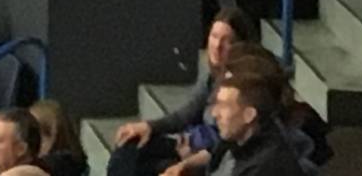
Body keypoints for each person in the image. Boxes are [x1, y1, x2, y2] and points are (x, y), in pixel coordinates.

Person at [108, 11, 258, 176]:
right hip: (188, 143)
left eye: (227, 40)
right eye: (214, 37)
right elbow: (188, 113)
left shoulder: (243, 87)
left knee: (158, 168)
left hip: (207, 158)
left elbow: (227, 144)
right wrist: (149, 126)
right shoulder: (212, 75)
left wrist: (190, 158)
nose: (217, 46)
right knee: (129, 145)